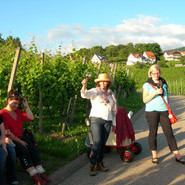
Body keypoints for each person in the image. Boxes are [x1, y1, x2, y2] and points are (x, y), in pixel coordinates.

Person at [0, 90, 51, 185]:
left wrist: (26, 106)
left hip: (20, 137)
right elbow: (7, 132)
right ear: (8, 101)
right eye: (14, 103)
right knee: (23, 150)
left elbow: (31, 118)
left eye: (17, 104)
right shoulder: (3, 114)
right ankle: (33, 174)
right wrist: (19, 141)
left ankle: (41, 171)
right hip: (11, 139)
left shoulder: (18, 112)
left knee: (32, 148)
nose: (16, 106)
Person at [142, 64, 185, 164]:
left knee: (169, 133)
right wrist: (155, 93)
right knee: (153, 133)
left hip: (164, 111)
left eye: (157, 73)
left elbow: (166, 96)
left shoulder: (163, 82)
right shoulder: (147, 84)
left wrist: (168, 107)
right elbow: (145, 100)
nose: (156, 75)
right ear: (150, 74)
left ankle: (177, 156)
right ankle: (154, 156)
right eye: (154, 73)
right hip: (151, 111)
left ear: (159, 73)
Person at [81, 73, 117, 176]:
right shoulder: (95, 91)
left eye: (106, 81)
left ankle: (100, 163)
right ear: (98, 82)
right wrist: (84, 86)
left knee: (103, 144)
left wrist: (114, 123)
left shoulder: (111, 93)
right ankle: (92, 165)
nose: (104, 83)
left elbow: (114, 109)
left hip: (108, 120)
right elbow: (85, 94)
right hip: (96, 119)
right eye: (102, 81)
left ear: (108, 83)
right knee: (97, 142)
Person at [0, 114, 19, 185]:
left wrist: (4, 145)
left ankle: (12, 178)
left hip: (1, 141)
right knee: (2, 153)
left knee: (11, 150)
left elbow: (2, 133)